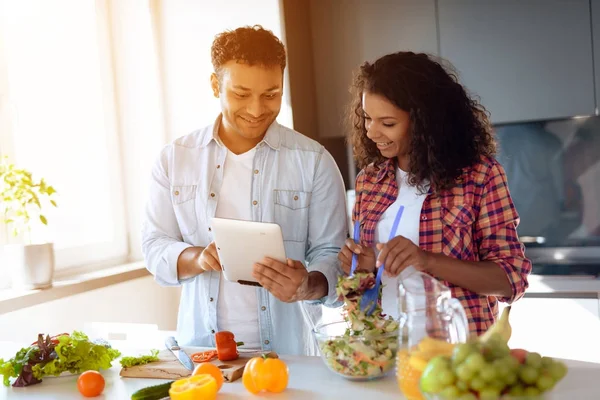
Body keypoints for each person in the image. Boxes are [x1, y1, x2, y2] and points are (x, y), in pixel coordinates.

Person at [141, 25, 347, 355]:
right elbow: (153, 247)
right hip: (202, 355)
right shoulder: (175, 159)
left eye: (271, 94)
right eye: (240, 94)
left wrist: (308, 284)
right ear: (214, 85)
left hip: (292, 356)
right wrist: (199, 258)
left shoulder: (314, 162)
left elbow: (335, 253)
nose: (255, 110)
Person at [337, 52, 532, 335]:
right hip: (384, 350)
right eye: (368, 118)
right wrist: (361, 268)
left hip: (455, 357)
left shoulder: (480, 176)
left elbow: (511, 280)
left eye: (387, 123)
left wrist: (426, 260)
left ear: (425, 122)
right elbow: (363, 290)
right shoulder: (369, 181)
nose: (372, 132)